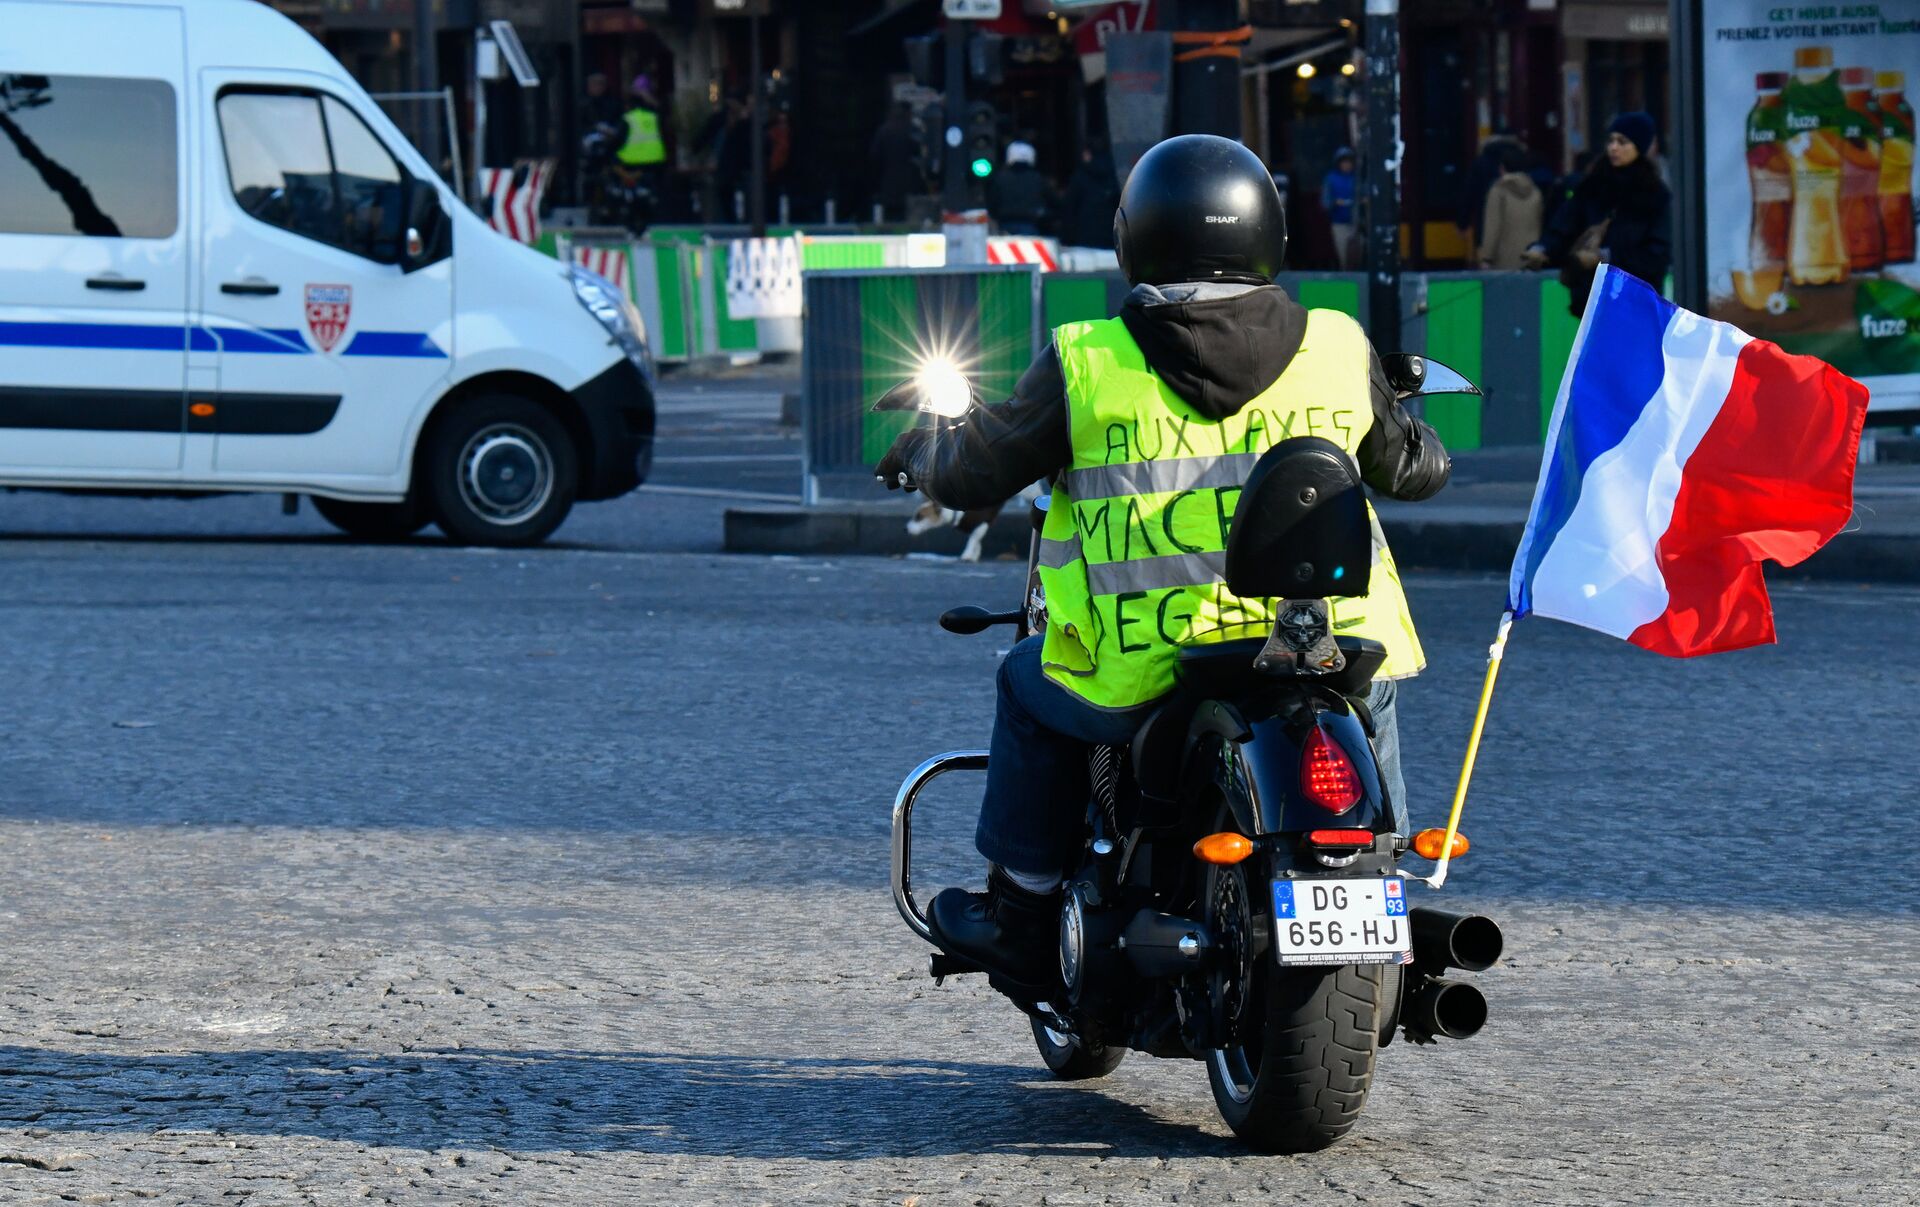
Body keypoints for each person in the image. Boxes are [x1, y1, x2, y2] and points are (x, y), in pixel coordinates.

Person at [872, 134, 1452, 984]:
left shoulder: (1089, 360)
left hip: (1147, 659)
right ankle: (1381, 878)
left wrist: (924, 449)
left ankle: (1022, 908)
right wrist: (1411, 427)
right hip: (1321, 642)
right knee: (1375, 693)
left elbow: (972, 474)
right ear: (1269, 232)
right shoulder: (1337, 344)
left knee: (1024, 681)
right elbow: (1415, 471)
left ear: (1134, 235)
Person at [1523, 112, 1671, 315]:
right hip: (1592, 298)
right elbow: (1564, 225)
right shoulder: (1593, 185)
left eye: (1622, 142)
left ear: (1639, 146)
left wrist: (1605, 258)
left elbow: (1656, 255)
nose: (1613, 147)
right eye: (1611, 140)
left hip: (1636, 302)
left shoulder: (1655, 195)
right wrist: (1542, 249)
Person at [1478, 143, 1543, 270]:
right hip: (1531, 258)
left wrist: (1486, 257)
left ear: (1502, 168)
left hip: (1504, 259)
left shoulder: (1498, 191)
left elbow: (1493, 226)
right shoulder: (1535, 191)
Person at [1059, 135, 1120, 249]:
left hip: (1084, 239)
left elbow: (1069, 210)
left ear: (1088, 154)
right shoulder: (1114, 179)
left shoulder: (1080, 178)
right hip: (1108, 240)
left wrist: (1067, 238)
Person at [868, 103, 923, 223]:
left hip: (889, 184)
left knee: (890, 220)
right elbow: (922, 153)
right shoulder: (912, 130)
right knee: (910, 219)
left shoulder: (884, 131)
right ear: (908, 113)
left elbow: (875, 156)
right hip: (910, 185)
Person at [990, 140, 1050, 236]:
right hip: (1030, 224)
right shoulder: (1037, 179)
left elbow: (992, 202)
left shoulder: (1001, 178)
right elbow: (1050, 200)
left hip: (1005, 225)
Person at [1321, 146, 1357, 267]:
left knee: (1357, 256)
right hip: (1339, 224)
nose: (1347, 165)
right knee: (1344, 258)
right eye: (1344, 162)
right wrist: (1335, 202)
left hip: (1357, 224)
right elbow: (1325, 203)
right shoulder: (1330, 179)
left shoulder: (1357, 178)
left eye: (1349, 162)